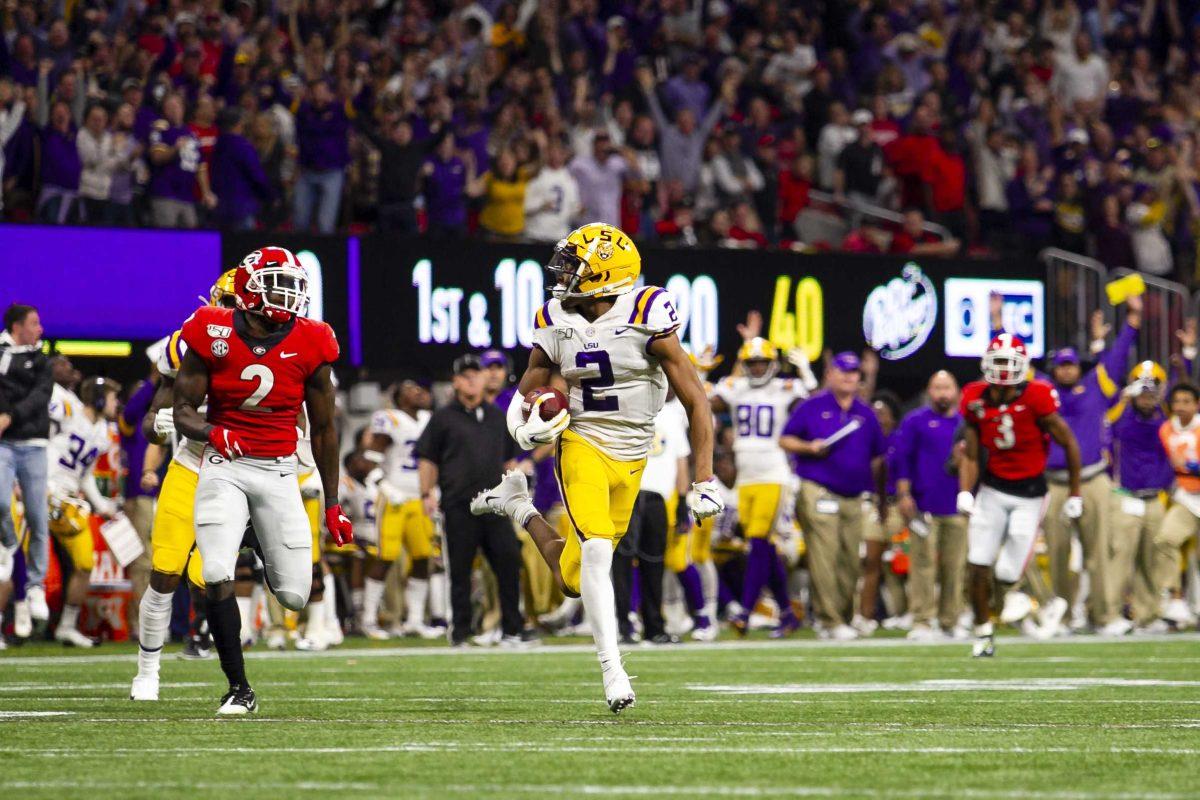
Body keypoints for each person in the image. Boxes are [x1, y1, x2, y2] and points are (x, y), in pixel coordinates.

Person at [470, 222, 722, 713]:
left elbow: (695, 398)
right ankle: (614, 672)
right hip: (582, 442)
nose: (563, 274)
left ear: (606, 274)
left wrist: (705, 477)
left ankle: (517, 504)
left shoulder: (647, 311)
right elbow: (531, 383)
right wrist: (523, 424)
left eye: (574, 266)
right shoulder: (555, 316)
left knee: (573, 577)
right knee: (601, 554)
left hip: (634, 455)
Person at [172, 248, 350, 715]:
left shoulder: (313, 339)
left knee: (292, 596)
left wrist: (333, 503)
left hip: (278, 470)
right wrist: (213, 431)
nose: (288, 296)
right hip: (223, 465)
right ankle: (238, 689)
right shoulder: (210, 328)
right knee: (215, 572)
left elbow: (326, 428)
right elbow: (182, 411)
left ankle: (252, 532)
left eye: (292, 285)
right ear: (250, 288)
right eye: (277, 283)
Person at [130, 271, 239, 702]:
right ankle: (147, 670)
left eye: (239, 303)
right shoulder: (185, 345)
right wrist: (158, 427)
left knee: (214, 578)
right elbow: (151, 423)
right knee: (165, 570)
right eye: (227, 303)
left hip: (241, 474)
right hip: (192, 465)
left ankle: (235, 680)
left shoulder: (272, 350)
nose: (234, 313)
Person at [958, 334, 1082, 658]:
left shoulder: (1038, 396)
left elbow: (1069, 443)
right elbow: (971, 452)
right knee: (977, 565)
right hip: (993, 489)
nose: (1001, 369)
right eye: (996, 361)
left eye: (1007, 362)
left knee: (1007, 573)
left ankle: (1034, 601)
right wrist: (964, 491)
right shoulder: (974, 398)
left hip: (1030, 494)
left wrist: (1075, 492)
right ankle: (983, 633)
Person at [415, 354, 526, 647]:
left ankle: (513, 629)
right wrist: (427, 494)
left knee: (508, 563)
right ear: (455, 381)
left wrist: (516, 495)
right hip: (459, 504)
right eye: (465, 375)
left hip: (495, 505)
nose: (472, 379)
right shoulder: (443, 418)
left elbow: (508, 460)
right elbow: (427, 458)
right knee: (460, 571)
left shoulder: (495, 416)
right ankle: (461, 631)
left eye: (475, 374)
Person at [1043, 297, 1140, 632]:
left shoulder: (1095, 384)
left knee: (1099, 551)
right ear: (1054, 369)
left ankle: (1105, 616)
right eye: (1061, 364)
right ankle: (1064, 617)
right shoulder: (1043, 391)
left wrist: (1131, 323)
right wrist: (997, 325)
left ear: (1078, 366)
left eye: (1071, 364)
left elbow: (1115, 359)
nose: (1067, 369)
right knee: (1056, 555)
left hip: (1093, 478)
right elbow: (1018, 368)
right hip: (1055, 482)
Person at [780, 352, 887, 641]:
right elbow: (785, 439)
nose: (850, 376)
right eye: (843, 371)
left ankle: (840, 616)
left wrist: (880, 497)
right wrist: (809, 447)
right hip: (819, 490)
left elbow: (879, 457)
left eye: (854, 372)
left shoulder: (865, 413)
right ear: (830, 374)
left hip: (854, 495)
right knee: (824, 556)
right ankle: (829, 620)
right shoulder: (813, 406)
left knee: (851, 559)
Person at [711, 338, 810, 638]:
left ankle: (744, 609)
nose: (756, 368)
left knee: (757, 540)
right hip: (746, 477)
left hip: (774, 473)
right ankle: (787, 612)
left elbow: (811, 403)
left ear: (772, 364)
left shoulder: (784, 389)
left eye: (761, 363)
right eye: (751, 363)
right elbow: (705, 402)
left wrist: (806, 373)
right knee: (763, 547)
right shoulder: (735, 388)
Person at [46, 376, 121, 647]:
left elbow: (85, 474)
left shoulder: (102, 432)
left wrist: (102, 505)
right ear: (99, 399)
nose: (116, 404)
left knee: (85, 564)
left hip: (66, 500)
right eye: (113, 398)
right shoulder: (69, 413)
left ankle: (66, 626)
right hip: (41, 490)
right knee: (11, 559)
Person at [892, 370, 968, 640]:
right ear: (929, 391)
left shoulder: (965, 423)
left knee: (955, 566)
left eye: (947, 387)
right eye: (938, 387)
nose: (943, 393)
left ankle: (950, 620)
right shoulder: (915, 421)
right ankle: (922, 620)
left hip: (957, 505)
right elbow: (902, 459)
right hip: (923, 505)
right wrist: (903, 494)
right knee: (922, 565)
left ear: (957, 392)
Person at [364, 380, 440, 639]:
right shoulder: (389, 419)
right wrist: (385, 487)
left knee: (422, 557)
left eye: (419, 387)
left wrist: (433, 489)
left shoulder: (430, 419)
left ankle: (415, 620)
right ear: (397, 396)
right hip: (394, 496)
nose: (418, 390)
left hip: (420, 497)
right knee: (386, 557)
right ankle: (368, 619)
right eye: (409, 388)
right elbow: (369, 461)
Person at [1108, 362, 1174, 634]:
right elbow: (1106, 421)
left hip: (1155, 498)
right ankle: (1110, 614)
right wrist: (1124, 397)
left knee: (1151, 560)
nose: (1147, 396)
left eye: (1152, 390)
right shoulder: (1123, 416)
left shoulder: (1165, 420)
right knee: (1120, 559)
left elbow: (1182, 410)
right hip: (1125, 496)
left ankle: (1148, 615)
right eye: (1142, 390)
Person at [0, 304, 53, 636]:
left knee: (37, 517)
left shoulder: (43, 360)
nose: (40, 328)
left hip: (33, 443)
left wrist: (9, 415)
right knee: (1, 504)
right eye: (34, 323)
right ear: (17, 326)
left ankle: (35, 585)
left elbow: (39, 396)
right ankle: (7, 544)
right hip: (4, 444)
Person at [1154, 382, 1200, 629]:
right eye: (1177, 402)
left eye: (1187, 402)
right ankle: (1176, 599)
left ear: (1197, 404)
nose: (1181, 407)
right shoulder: (1165, 429)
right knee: (1165, 539)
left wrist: (1193, 466)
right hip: (1187, 499)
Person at [147, 92, 201, 228]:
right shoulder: (160, 130)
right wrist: (175, 149)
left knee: (191, 240)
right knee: (166, 238)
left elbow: (199, 165)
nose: (174, 109)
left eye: (176, 106)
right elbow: (157, 158)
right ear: (164, 110)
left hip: (187, 196)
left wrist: (206, 192)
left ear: (183, 108)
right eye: (169, 106)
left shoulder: (191, 134)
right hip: (166, 193)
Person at [524, 140, 581, 242]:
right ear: (547, 154)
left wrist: (579, 210)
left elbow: (573, 209)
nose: (555, 157)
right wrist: (541, 206)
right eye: (552, 153)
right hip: (536, 233)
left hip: (559, 235)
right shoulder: (537, 175)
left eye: (559, 153)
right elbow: (525, 207)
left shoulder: (570, 179)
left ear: (564, 155)